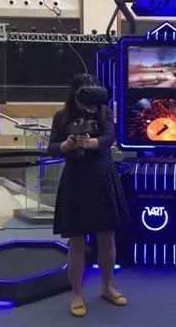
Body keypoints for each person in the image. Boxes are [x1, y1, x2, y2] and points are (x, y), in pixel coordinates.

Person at [48, 74, 130, 317]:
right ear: (74, 95)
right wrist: (66, 146)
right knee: (77, 243)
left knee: (107, 238)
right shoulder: (61, 117)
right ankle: (77, 294)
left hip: (103, 176)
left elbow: (110, 137)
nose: (88, 103)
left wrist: (92, 143)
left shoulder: (105, 112)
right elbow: (52, 146)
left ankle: (107, 287)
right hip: (76, 179)